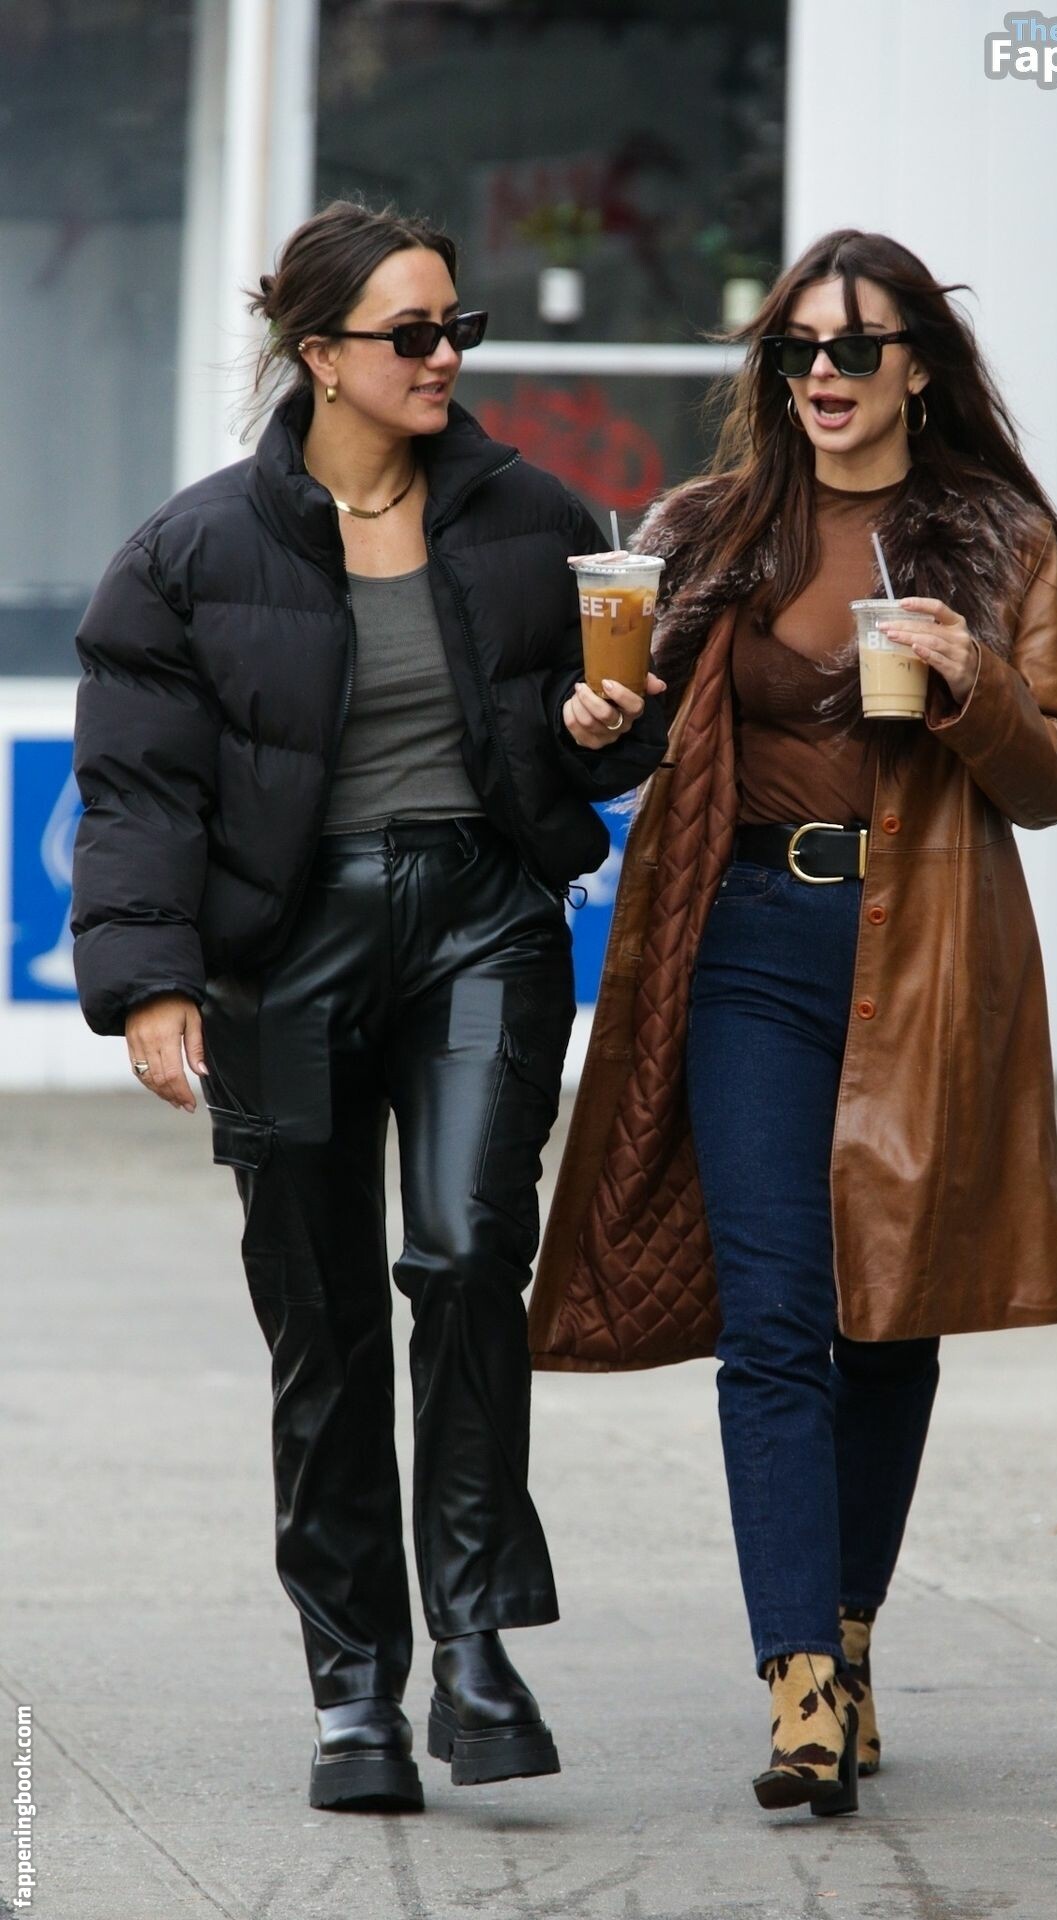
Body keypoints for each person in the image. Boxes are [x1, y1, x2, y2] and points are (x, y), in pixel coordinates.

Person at [70, 199, 667, 1813]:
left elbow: (600, 731)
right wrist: (149, 981)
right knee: (323, 1325)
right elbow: (139, 788)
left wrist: (607, 724)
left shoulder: (533, 514)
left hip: (482, 920)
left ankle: (473, 1644)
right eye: (411, 331)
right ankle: (353, 1688)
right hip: (287, 950)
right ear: (319, 354)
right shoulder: (192, 554)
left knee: (466, 1257)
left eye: (457, 326)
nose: (444, 355)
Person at [528, 228, 1057, 1818]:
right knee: (774, 1318)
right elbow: (620, 742)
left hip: (927, 956)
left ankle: (846, 1630)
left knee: (887, 1315)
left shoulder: (998, 537)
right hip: (748, 943)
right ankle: (798, 1686)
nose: (822, 373)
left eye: (854, 347)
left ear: (917, 366)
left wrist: (974, 677)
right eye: (796, 349)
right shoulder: (707, 529)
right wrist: (591, 719)